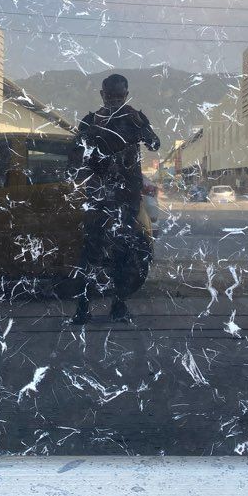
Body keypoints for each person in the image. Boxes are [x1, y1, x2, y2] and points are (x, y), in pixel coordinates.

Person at [69, 73, 160, 324]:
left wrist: (140, 124)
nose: (115, 100)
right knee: (91, 253)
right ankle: (83, 308)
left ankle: (117, 306)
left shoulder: (133, 119)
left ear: (126, 95)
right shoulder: (91, 121)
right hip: (100, 198)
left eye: (119, 96)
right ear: (102, 95)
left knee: (123, 252)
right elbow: (75, 158)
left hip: (124, 199)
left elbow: (154, 144)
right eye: (111, 96)